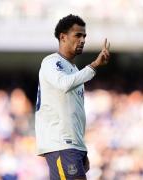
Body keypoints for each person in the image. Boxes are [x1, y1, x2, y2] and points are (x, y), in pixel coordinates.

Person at [35, 14, 110, 180]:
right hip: (61, 143)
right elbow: (64, 84)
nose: (83, 40)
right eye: (78, 35)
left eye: (84, 36)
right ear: (63, 37)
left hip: (72, 144)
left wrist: (81, 148)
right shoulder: (51, 62)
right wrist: (94, 65)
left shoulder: (74, 70)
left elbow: (74, 113)